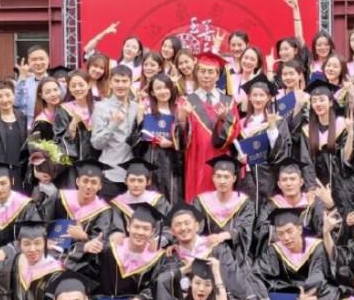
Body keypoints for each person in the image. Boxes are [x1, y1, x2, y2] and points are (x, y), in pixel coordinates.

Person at [151, 203, 273, 300]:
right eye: (178, 224)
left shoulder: (216, 249)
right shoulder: (172, 256)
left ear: (197, 226)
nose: (183, 228)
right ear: (172, 231)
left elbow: (234, 277)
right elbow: (165, 287)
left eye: (187, 223)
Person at [65, 203, 167, 300]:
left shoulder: (159, 258)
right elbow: (74, 270)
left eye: (145, 229)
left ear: (153, 232)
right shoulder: (108, 249)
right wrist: (84, 248)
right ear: (128, 226)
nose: (140, 232)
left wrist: (139, 299)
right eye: (136, 227)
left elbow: (161, 285)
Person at [179, 52, 241, 202]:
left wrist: (224, 119)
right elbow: (179, 139)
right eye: (202, 71)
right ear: (196, 73)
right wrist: (182, 118)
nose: (206, 75)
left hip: (221, 157)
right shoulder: (186, 101)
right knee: (198, 199)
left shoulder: (228, 101)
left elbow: (235, 131)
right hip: (196, 158)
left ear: (218, 75)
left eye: (210, 72)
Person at [303, 79, 354, 217]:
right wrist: (315, 188)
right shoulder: (307, 130)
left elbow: (348, 158)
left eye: (322, 100)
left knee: (346, 222)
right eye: (314, 101)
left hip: (344, 186)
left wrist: (350, 134)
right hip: (320, 189)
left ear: (330, 102)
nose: (318, 104)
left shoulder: (343, 124)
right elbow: (306, 163)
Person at [253, 207, 336, 300]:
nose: (286, 238)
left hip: (311, 297)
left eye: (289, 231)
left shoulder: (316, 247)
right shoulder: (274, 250)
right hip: (283, 299)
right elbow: (257, 274)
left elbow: (318, 277)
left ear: (299, 229)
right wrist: (289, 288)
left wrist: (295, 289)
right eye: (280, 233)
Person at [235, 73, 292, 202]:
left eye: (262, 95)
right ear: (249, 97)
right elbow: (235, 150)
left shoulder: (278, 121)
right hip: (246, 177)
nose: (258, 99)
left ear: (269, 98)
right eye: (254, 95)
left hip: (268, 176)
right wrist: (238, 158)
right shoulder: (242, 123)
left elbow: (281, 151)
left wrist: (272, 127)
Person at [253, 158, 326, 253]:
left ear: (301, 182)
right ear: (279, 184)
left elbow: (323, 230)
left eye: (293, 179)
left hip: (308, 253)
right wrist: (287, 233)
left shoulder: (313, 203)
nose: (289, 183)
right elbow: (260, 231)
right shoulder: (271, 205)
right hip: (279, 254)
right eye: (284, 180)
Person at [131, 73, 184, 204]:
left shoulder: (178, 111)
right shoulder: (147, 110)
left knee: (171, 197)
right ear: (152, 92)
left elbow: (185, 140)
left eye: (166, 87)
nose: (163, 91)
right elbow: (135, 140)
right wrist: (140, 115)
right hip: (150, 158)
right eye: (158, 88)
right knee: (150, 197)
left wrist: (171, 144)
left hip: (171, 162)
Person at [192, 155, 255, 263]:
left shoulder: (245, 203)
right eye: (219, 176)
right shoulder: (201, 201)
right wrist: (207, 240)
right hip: (208, 251)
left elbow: (245, 228)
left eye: (226, 177)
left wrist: (223, 236)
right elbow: (196, 229)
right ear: (213, 178)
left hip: (236, 256)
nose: (222, 181)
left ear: (234, 178)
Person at [40, 160, 114, 250]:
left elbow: (100, 241)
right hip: (51, 249)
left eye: (94, 182)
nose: (88, 186)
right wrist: (44, 240)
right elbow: (40, 222)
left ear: (100, 186)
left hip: (81, 255)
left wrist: (84, 236)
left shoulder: (104, 211)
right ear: (77, 181)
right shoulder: (59, 197)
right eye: (85, 181)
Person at [90, 65, 139, 200]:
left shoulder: (136, 108)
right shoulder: (101, 107)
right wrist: (113, 124)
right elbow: (96, 143)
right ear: (110, 83)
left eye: (124, 81)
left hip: (134, 177)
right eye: (117, 81)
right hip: (110, 174)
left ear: (131, 83)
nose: (120, 85)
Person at [109, 157, 172, 236]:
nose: (136, 184)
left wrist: (159, 241)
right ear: (125, 181)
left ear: (148, 182)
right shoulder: (118, 204)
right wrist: (117, 235)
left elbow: (169, 226)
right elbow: (116, 228)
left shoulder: (158, 201)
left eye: (140, 181)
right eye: (132, 180)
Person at [0, 80, 28, 190]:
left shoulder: (22, 117)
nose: (4, 100)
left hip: (20, 169)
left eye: (8, 95)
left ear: (14, 95)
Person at [54, 70, 99, 164]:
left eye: (81, 85)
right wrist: (73, 124)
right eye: (73, 86)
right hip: (75, 162)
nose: (77, 89)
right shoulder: (64, 109)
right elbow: (59, 139)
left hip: (99, 161)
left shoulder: (99, 107)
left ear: (89, 85)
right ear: (69, 88)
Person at [14, 45, 52, 128]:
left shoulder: (56, 84)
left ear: (48, 60)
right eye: (34, 60)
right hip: (30, 127)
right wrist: (22, 77)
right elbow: (17, 103)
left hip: (53, 126)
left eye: (41, 59)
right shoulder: (24, 83)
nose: (38, 63)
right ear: (28, 62)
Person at [31, 77, 64, 142]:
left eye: (55, 90)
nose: (53, 94)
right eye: (48, 92)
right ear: (41, 95)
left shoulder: (67, 112)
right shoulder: (41, 122)